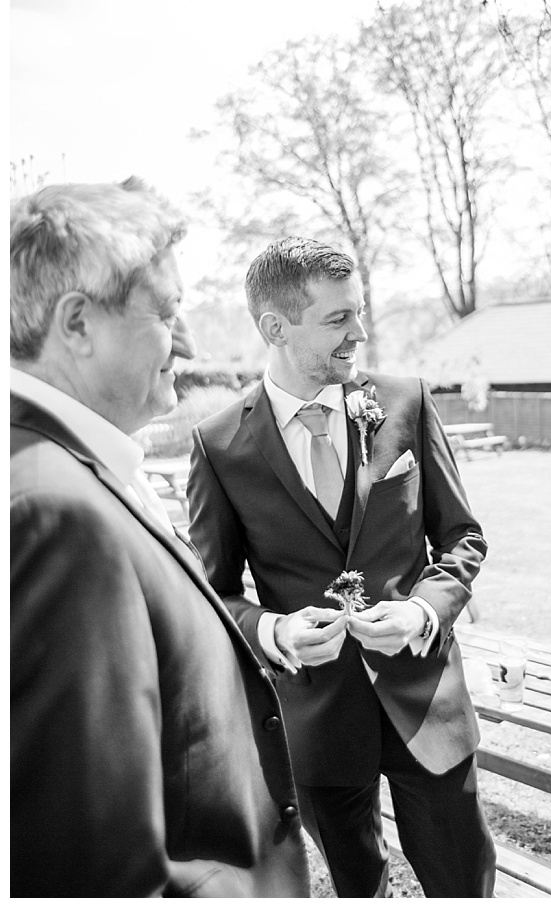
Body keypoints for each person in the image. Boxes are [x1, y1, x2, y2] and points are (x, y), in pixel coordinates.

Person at [10, 180, 310, 898]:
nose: (188, 343)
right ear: (77, 323)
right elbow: (88, 865)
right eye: (168, 313)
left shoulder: (85, 467)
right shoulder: (54, 511)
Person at [187, 236, 497, 898]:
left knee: (463, 882)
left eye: (357, 313)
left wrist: (421, 609)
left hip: (426, 703)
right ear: (275, 327)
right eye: (336, 320)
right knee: (358, 886)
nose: (358, 332)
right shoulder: (217, 445)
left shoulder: (405, 401)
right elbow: (211, 594)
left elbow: (461, 535)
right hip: (315, 719)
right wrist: (273, 633)